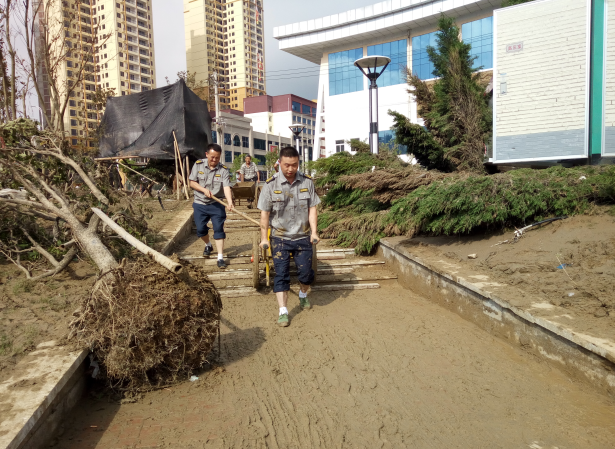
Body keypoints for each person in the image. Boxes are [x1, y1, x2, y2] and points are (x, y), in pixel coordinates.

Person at [257, 146, 321, 327]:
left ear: (298, 163)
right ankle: (283, 311)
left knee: (306, 274)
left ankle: (302, 294)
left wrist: (314, 232)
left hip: (302, 236)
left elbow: (312, 209)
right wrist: (264, 238)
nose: (291, 169)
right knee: (281, 275)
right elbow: (264, 214)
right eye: (286, 165)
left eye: (294, 165)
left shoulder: (307, 182)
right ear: (279, 163)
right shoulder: (270, 185)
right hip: (280, 237)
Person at [188, 143, 235, 269]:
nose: (214, 160)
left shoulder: (223, 169)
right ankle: (208, 245)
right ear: (207, 154)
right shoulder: (198, 164)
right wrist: (203, 190)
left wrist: (229, 201)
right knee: (200, 230)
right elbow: (192, 182)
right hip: (200, 203)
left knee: (218, 229)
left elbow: (226, 187)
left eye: (217, 158)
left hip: (216, 203)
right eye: (212, 157)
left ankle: (220, 257)